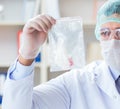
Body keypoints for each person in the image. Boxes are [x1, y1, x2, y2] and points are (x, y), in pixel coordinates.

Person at [2, 0, 120, 109]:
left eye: (119, 32)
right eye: (105, 32)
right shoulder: (76, 83)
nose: (113, 40)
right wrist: (26, 56)